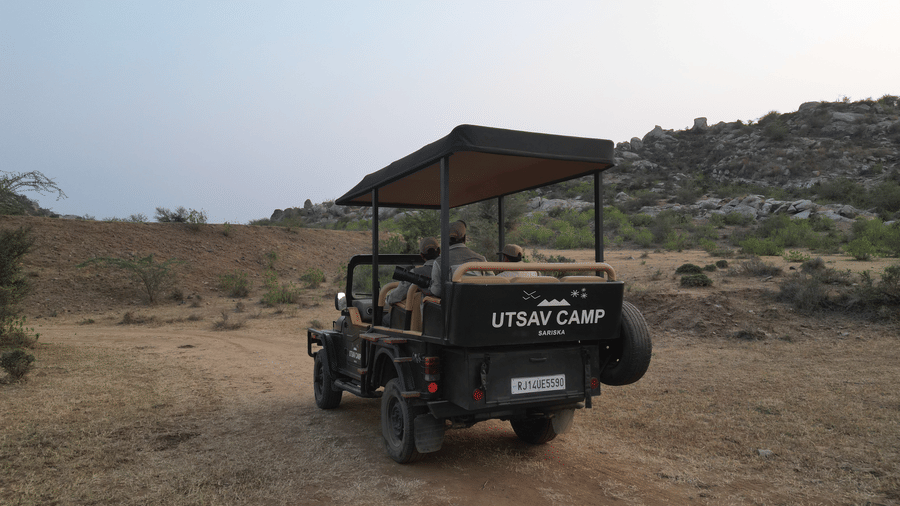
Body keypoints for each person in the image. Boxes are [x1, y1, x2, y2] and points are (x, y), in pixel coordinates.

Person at [428, 221, 486, 297]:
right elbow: (492, 283)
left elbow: (437, 291)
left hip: (453, 307)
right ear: (464, 238)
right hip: (479, 304)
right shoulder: (481, 259)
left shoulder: (439, 261)